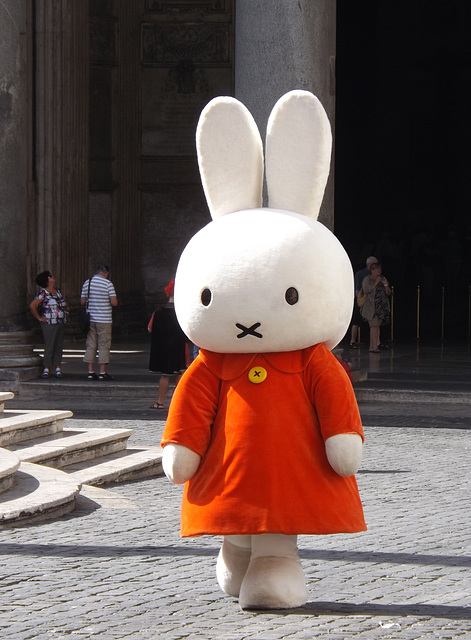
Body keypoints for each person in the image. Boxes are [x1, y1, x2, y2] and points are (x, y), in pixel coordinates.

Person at [148, 280, 188, 409]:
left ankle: (160, 402)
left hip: (164, 347)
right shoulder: (182, 312)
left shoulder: (158, 312)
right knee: (180, 373)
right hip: (180, 346)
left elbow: (150, 328)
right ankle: (179, 402)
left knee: (165, 375)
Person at [80, 264, 118, 380]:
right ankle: (102, 372)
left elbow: (82, 302)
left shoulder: (88, 282)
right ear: (106, 273)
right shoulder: (108, 284)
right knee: (104, 344)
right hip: (104, 319)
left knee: (90, 344)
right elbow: (114, 302)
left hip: (91, 319)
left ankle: (90, 371)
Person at [29, 271, 67, 378]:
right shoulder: (43, 293)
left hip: (60, 321)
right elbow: (32, 305)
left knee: (58, 345)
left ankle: (58, 367)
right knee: (49, 344)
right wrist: (40, 318)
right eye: (50, 276)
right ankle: (46, 367)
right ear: (46, 280)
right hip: (49, 322)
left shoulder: (57, 291)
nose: (53, 277)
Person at [360, 262, 391, 353]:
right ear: (372, 270)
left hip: (381, 307)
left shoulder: (383, 278)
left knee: (377, 326)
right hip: (371, 306)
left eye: (380, 269)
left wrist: (385, 284)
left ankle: (375, 345)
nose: (379, 271)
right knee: (373, 326)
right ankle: (373, 347)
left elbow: (388, 292)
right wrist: (376, 283)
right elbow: (366, 290)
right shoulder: (367, 279)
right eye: (377, 269)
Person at [350, 255, 377, 348]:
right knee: (357, 321)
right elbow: (358, 290)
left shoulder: (376, 275)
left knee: (374, 323)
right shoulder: (361, 274)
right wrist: (360, 300)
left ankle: (376, 343)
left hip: (372, 302)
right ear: (369, 265)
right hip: (362, 300)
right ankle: (353, 341)